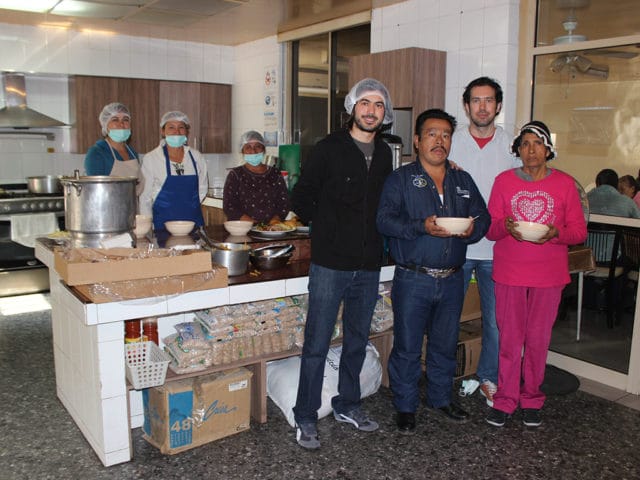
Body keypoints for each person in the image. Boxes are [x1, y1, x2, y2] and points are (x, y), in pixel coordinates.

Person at [291, 78, 394, 449]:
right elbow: (302, 197)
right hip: (330, 265)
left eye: (379, 104)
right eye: (365, 102)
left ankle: (348, 405)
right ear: (352, 107)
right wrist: (329, 226)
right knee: (317, 343)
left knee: (356, 341)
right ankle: (305, 416)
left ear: (385, 113)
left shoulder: (384, 154)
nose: (371, 110)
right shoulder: (328, 149)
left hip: (368, 266)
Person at [377, 108, 490, 434]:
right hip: (414, 278)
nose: (439, 141)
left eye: (445, 135)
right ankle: (406, 405)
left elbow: (483, 217)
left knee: (445, 343)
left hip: (454, 277)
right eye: (431, 134)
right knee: (408, 346)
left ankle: (440, 398)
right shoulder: (400, 179)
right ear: (417, 140)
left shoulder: (462, 179)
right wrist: (420, 226)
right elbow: (383, 221)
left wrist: (472, 231)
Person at [484, 121, 587, 428]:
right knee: (509, 340)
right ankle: (505, 400)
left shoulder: (565, 185)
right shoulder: (503, 182)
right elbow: (490, 229)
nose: (531, 150)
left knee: (538, 340)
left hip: (549, 275)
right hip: (510, 272)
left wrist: (555, 234)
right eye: (525, 144)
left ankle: (531, 398)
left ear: (548, 149)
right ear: (518, 149)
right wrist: (507, 227)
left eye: (537, 143)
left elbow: (579, 232)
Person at [449, 76, 520, 407]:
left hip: (497, 251)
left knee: (496, 321)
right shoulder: (451, 142)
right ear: (466, 106)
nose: (482, 106)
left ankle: (488, 377)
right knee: (447, 315)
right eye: (476, 100)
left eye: (488, 100)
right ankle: (442, 375)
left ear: (498, 106)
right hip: (457, 247)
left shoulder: (512, 147)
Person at [139, 111, 209, 231]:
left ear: (187, 131)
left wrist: (188, 206)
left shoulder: (196, 156)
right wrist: (147, 227)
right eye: (171, 127)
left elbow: (202, 187)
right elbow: (145, 197)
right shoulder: (151, 158)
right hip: (162, 224)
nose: (176, 132)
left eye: (181, 127)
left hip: (192, 222)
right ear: (163, 131)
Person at [223, 130, 290, 224]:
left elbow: (284, 203)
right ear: (242, 151)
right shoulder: (236, 175)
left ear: (264, 149)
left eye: (257, 147)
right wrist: (253, 224)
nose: (253, 151)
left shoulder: (275, 174)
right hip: (243, 229)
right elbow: (229, 206)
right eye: (248, 147)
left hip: (271, 229)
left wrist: (275, 222)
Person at [84, 102, 144, 195]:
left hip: (131, 206)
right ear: (105, 125)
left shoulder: (132, 153)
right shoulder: (97, 153)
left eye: (125, 119)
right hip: (107, 208)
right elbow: (95, 191)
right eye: (115, 120)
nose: (121, 124)